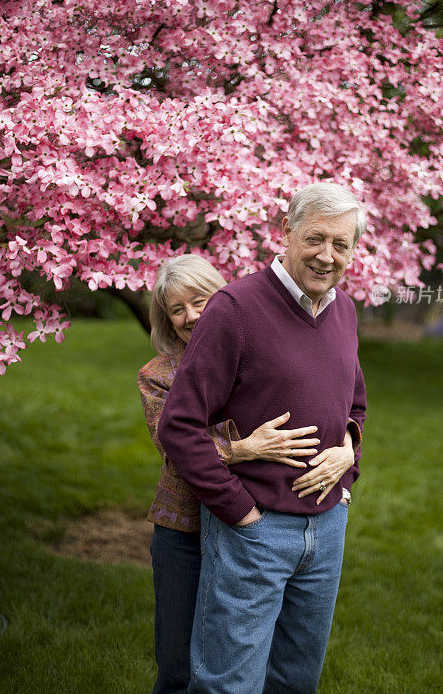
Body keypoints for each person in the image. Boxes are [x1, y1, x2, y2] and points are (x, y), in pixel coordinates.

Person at [158, 182, 368, 694]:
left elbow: (354, 405)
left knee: (296, 681)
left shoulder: (343, 311)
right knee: (230, 683)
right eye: (316, 238)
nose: (327, 255)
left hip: (327, 529)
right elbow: (179, 426)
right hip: (253, 529)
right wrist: (240, 513)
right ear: (286, 233)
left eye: (341, 245)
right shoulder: (235, 309)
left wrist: (347, 460)